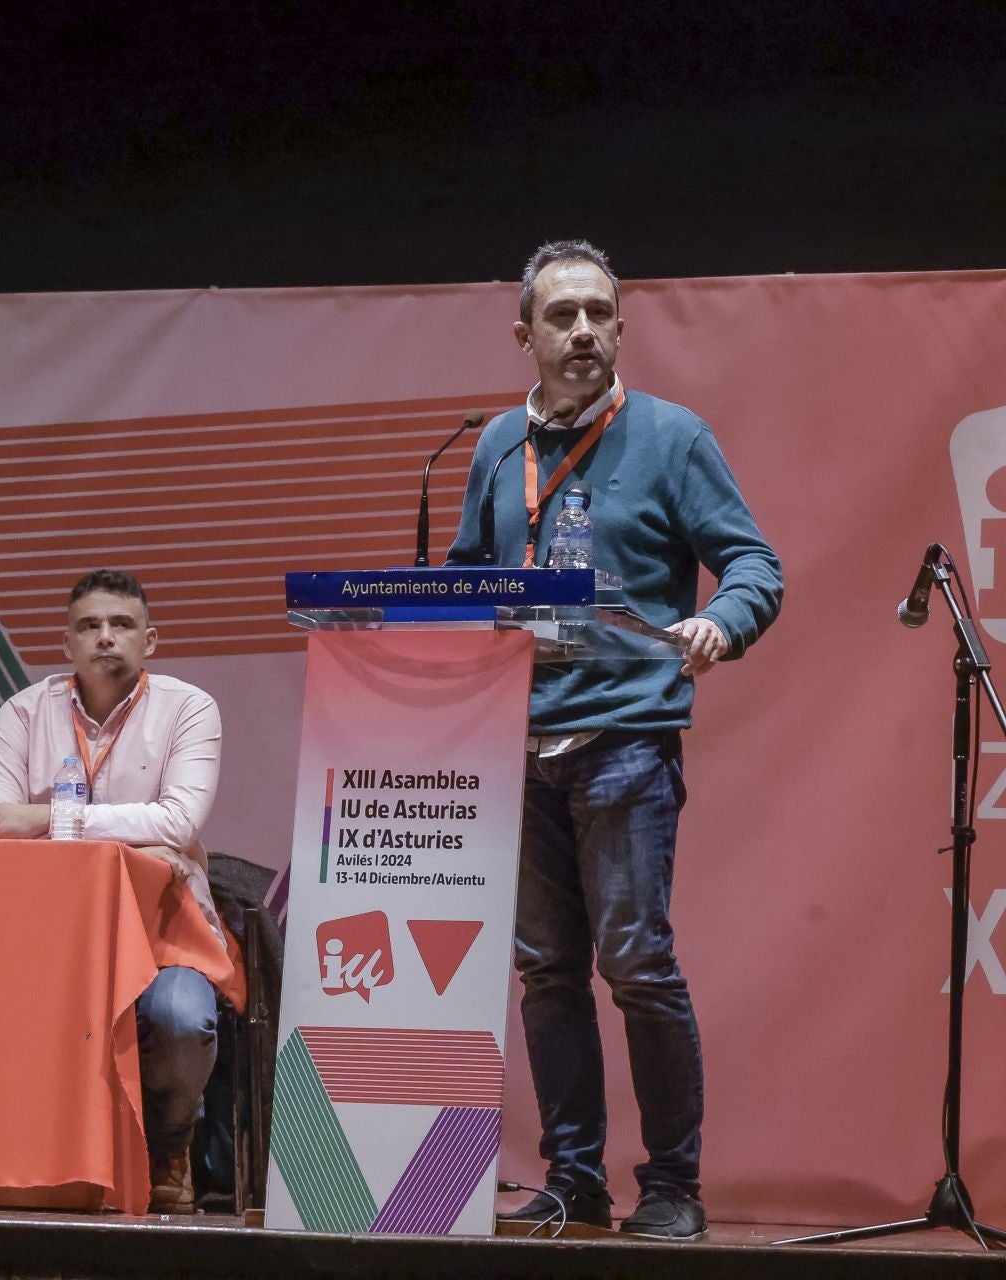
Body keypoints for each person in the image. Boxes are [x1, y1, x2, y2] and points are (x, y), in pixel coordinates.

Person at [446, 240, 783, 1240]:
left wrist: (722, 623)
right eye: (563, 315)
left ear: (621, 328)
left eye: (600, 313)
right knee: (547, 967)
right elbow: (471, 577)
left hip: (626, 736)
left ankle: (672, 1182)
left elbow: (755, 562)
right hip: (520, 744)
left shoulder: (673, 437)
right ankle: (575, 1178)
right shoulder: (496, 446)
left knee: (635, 960)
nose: (584, 330)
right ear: (526, 334)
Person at [0, 569, 223, 1214]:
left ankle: (170, 1143)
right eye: (89, 626)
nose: (105, 638)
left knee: (180, 1019)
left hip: (165, 925)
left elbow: (179, 821)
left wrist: (46, 819)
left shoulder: (188, 708)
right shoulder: (23, 713)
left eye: (121, 625)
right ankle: (25, 1151)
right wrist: (113, 828)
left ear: (151, 639)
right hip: (45, 929)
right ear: (67, 643)